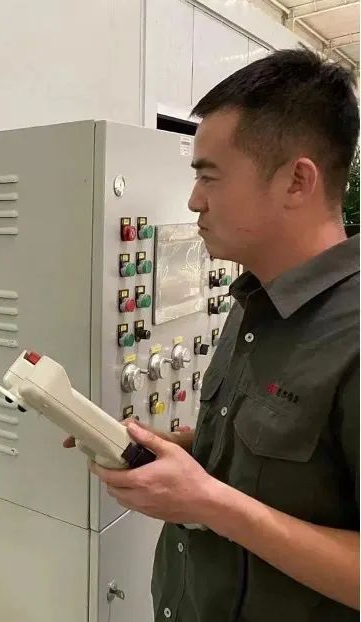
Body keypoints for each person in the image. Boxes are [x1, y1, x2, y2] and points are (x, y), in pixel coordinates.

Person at [85, 49, 359, 621]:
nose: (194, 200)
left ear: (297, 181)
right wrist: (173, 451)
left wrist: (206, 501)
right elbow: (267, 463)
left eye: (209, 175)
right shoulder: (252, 300)